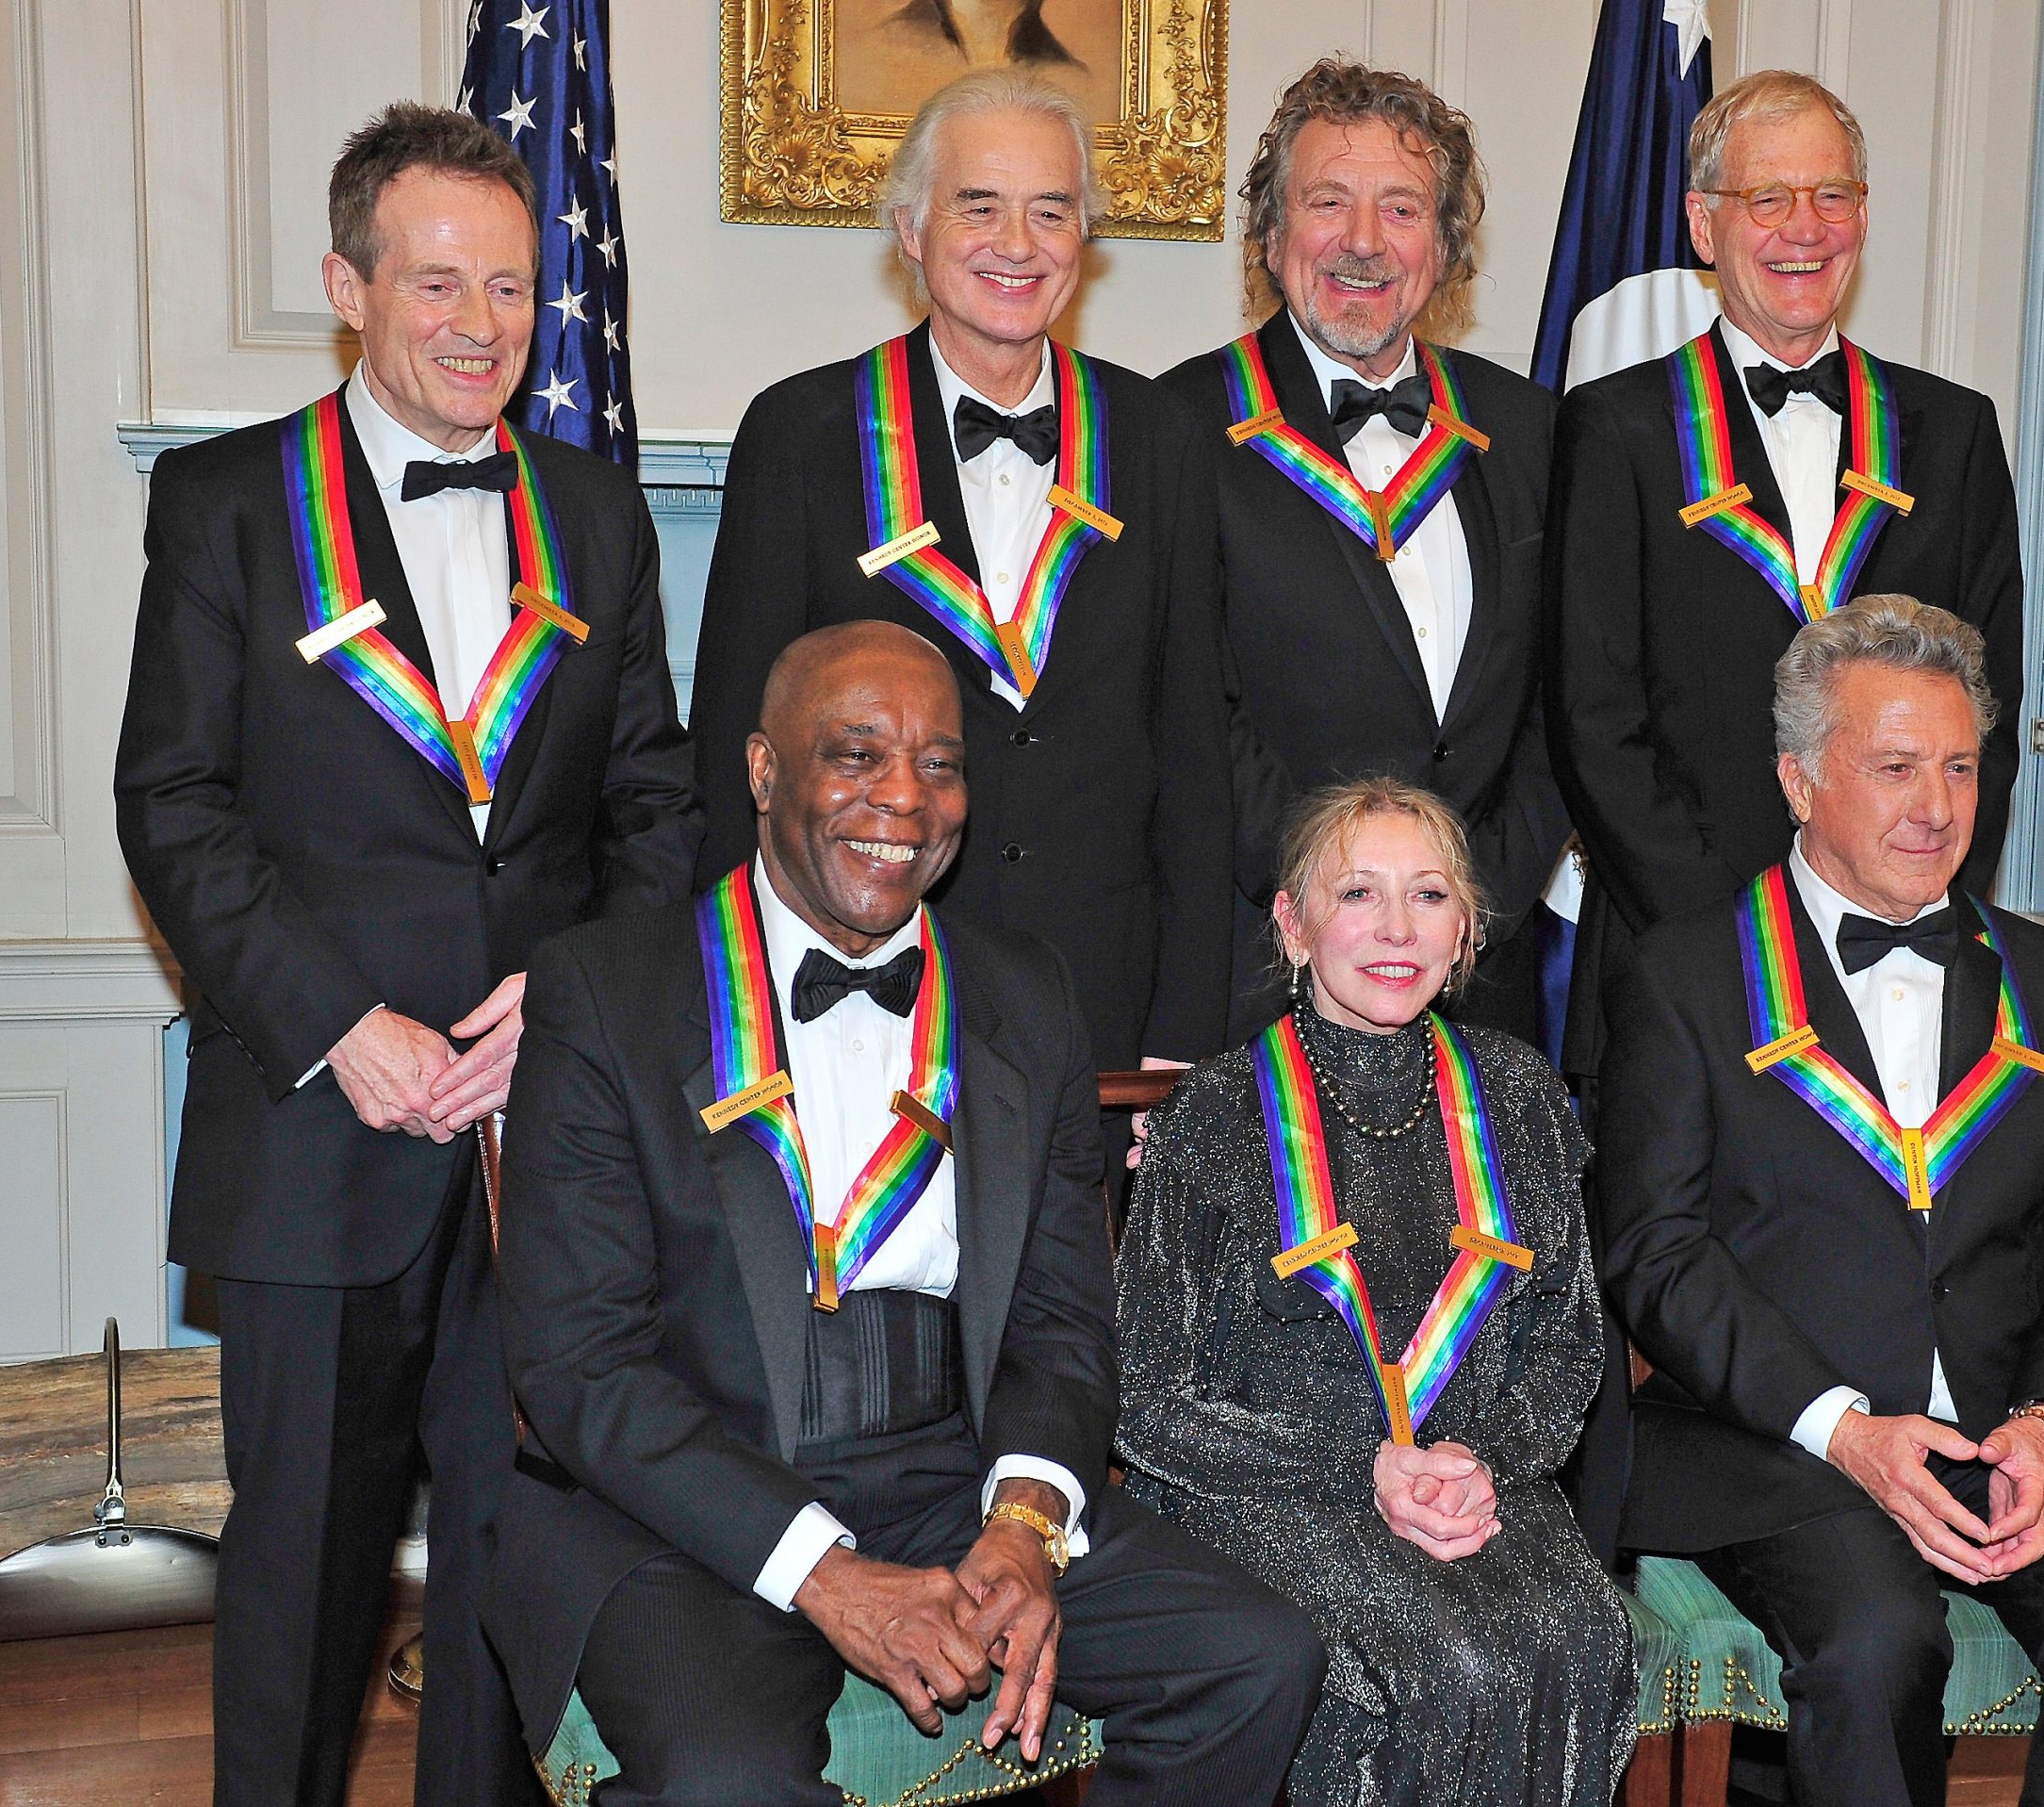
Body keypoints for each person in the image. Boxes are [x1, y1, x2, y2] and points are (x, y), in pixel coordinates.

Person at [112, 103, 700, 1806]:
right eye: (436, 282)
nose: (480, 324)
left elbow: (654, 807)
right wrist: (339, 1024)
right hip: (317, 1131)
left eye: (510, 286)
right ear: (346, 287)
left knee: (521, 1563)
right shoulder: (229, 503)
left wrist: (570, 1005)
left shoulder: (597, 514)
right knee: (301, 1574)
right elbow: (174, 804)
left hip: (546, 1136)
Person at [484, 620, 1324, 1804]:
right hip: (690, 1495)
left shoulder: (1025, 990)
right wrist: (826, 1574)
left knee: (1254, 1661)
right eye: (856, 754)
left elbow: (1061, 1320)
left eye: (940, 764)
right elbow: (582, 1365)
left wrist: (1024, 1522)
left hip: (953, 1466)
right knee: (724, 1780)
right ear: (764, 770)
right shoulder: (606, 989)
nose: (904, 798)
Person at [1597, 595, 2044, 1807]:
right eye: (1893, 767)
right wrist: (1842, 1428)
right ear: (1797, 781)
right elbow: (1656, 1252)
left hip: (2011, 1422)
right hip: (1788, 1437)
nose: (1935, 807)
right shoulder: (1684, 975)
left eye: (1959, 768)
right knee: (1876, 1650)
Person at [689, 68, 1232, 1117]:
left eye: (1051, 211)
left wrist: (1182, 1040)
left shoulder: (1160, 438)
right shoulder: (802, 435)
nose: (1016, 244)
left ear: (1086, 238)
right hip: (860, 987)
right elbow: (731, 757)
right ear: (910, 228)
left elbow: (1194, 764)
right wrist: (737, 1002)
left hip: (1101, 1006)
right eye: (978, 205)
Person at [1115, 778, 1636, 1806]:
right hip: (1269, 1491)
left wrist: (1478, 1465)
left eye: (1430, 895)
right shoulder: (1214, 1111)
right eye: (1358, 892)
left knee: (1583, 1636)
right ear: (1292, 924)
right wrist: (1363, 1468)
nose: (1398, 928)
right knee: (1446, 1668)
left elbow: (1570, 1342)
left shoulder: (1521, 1094)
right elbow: (1145, 1398)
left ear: (1467, 930)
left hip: (1473, 1481)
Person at [1546, 70, 2023, 1101]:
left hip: (1897, 960)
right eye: (1767, 198)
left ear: (1863, 215)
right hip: (1676, 965)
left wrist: (1896, 902)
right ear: (1702, 225)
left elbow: (1988, 713)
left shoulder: (1954, 435)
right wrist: (1736, 947)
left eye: (1831, 195)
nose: (1804, 228)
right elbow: (1593, 721)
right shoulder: (1615, 428)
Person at [1164, 60, 1570, 1045]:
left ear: (1445, 245)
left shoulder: (1533, 430)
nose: (1362, 241)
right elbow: (1189, 713)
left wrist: (1465, 898)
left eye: (1401, 208)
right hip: (1264, 972)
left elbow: (1569, 698)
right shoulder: (1174, 428)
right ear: (1270, 235)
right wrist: (1337, 903)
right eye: (1328, 202)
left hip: (1482, 980)